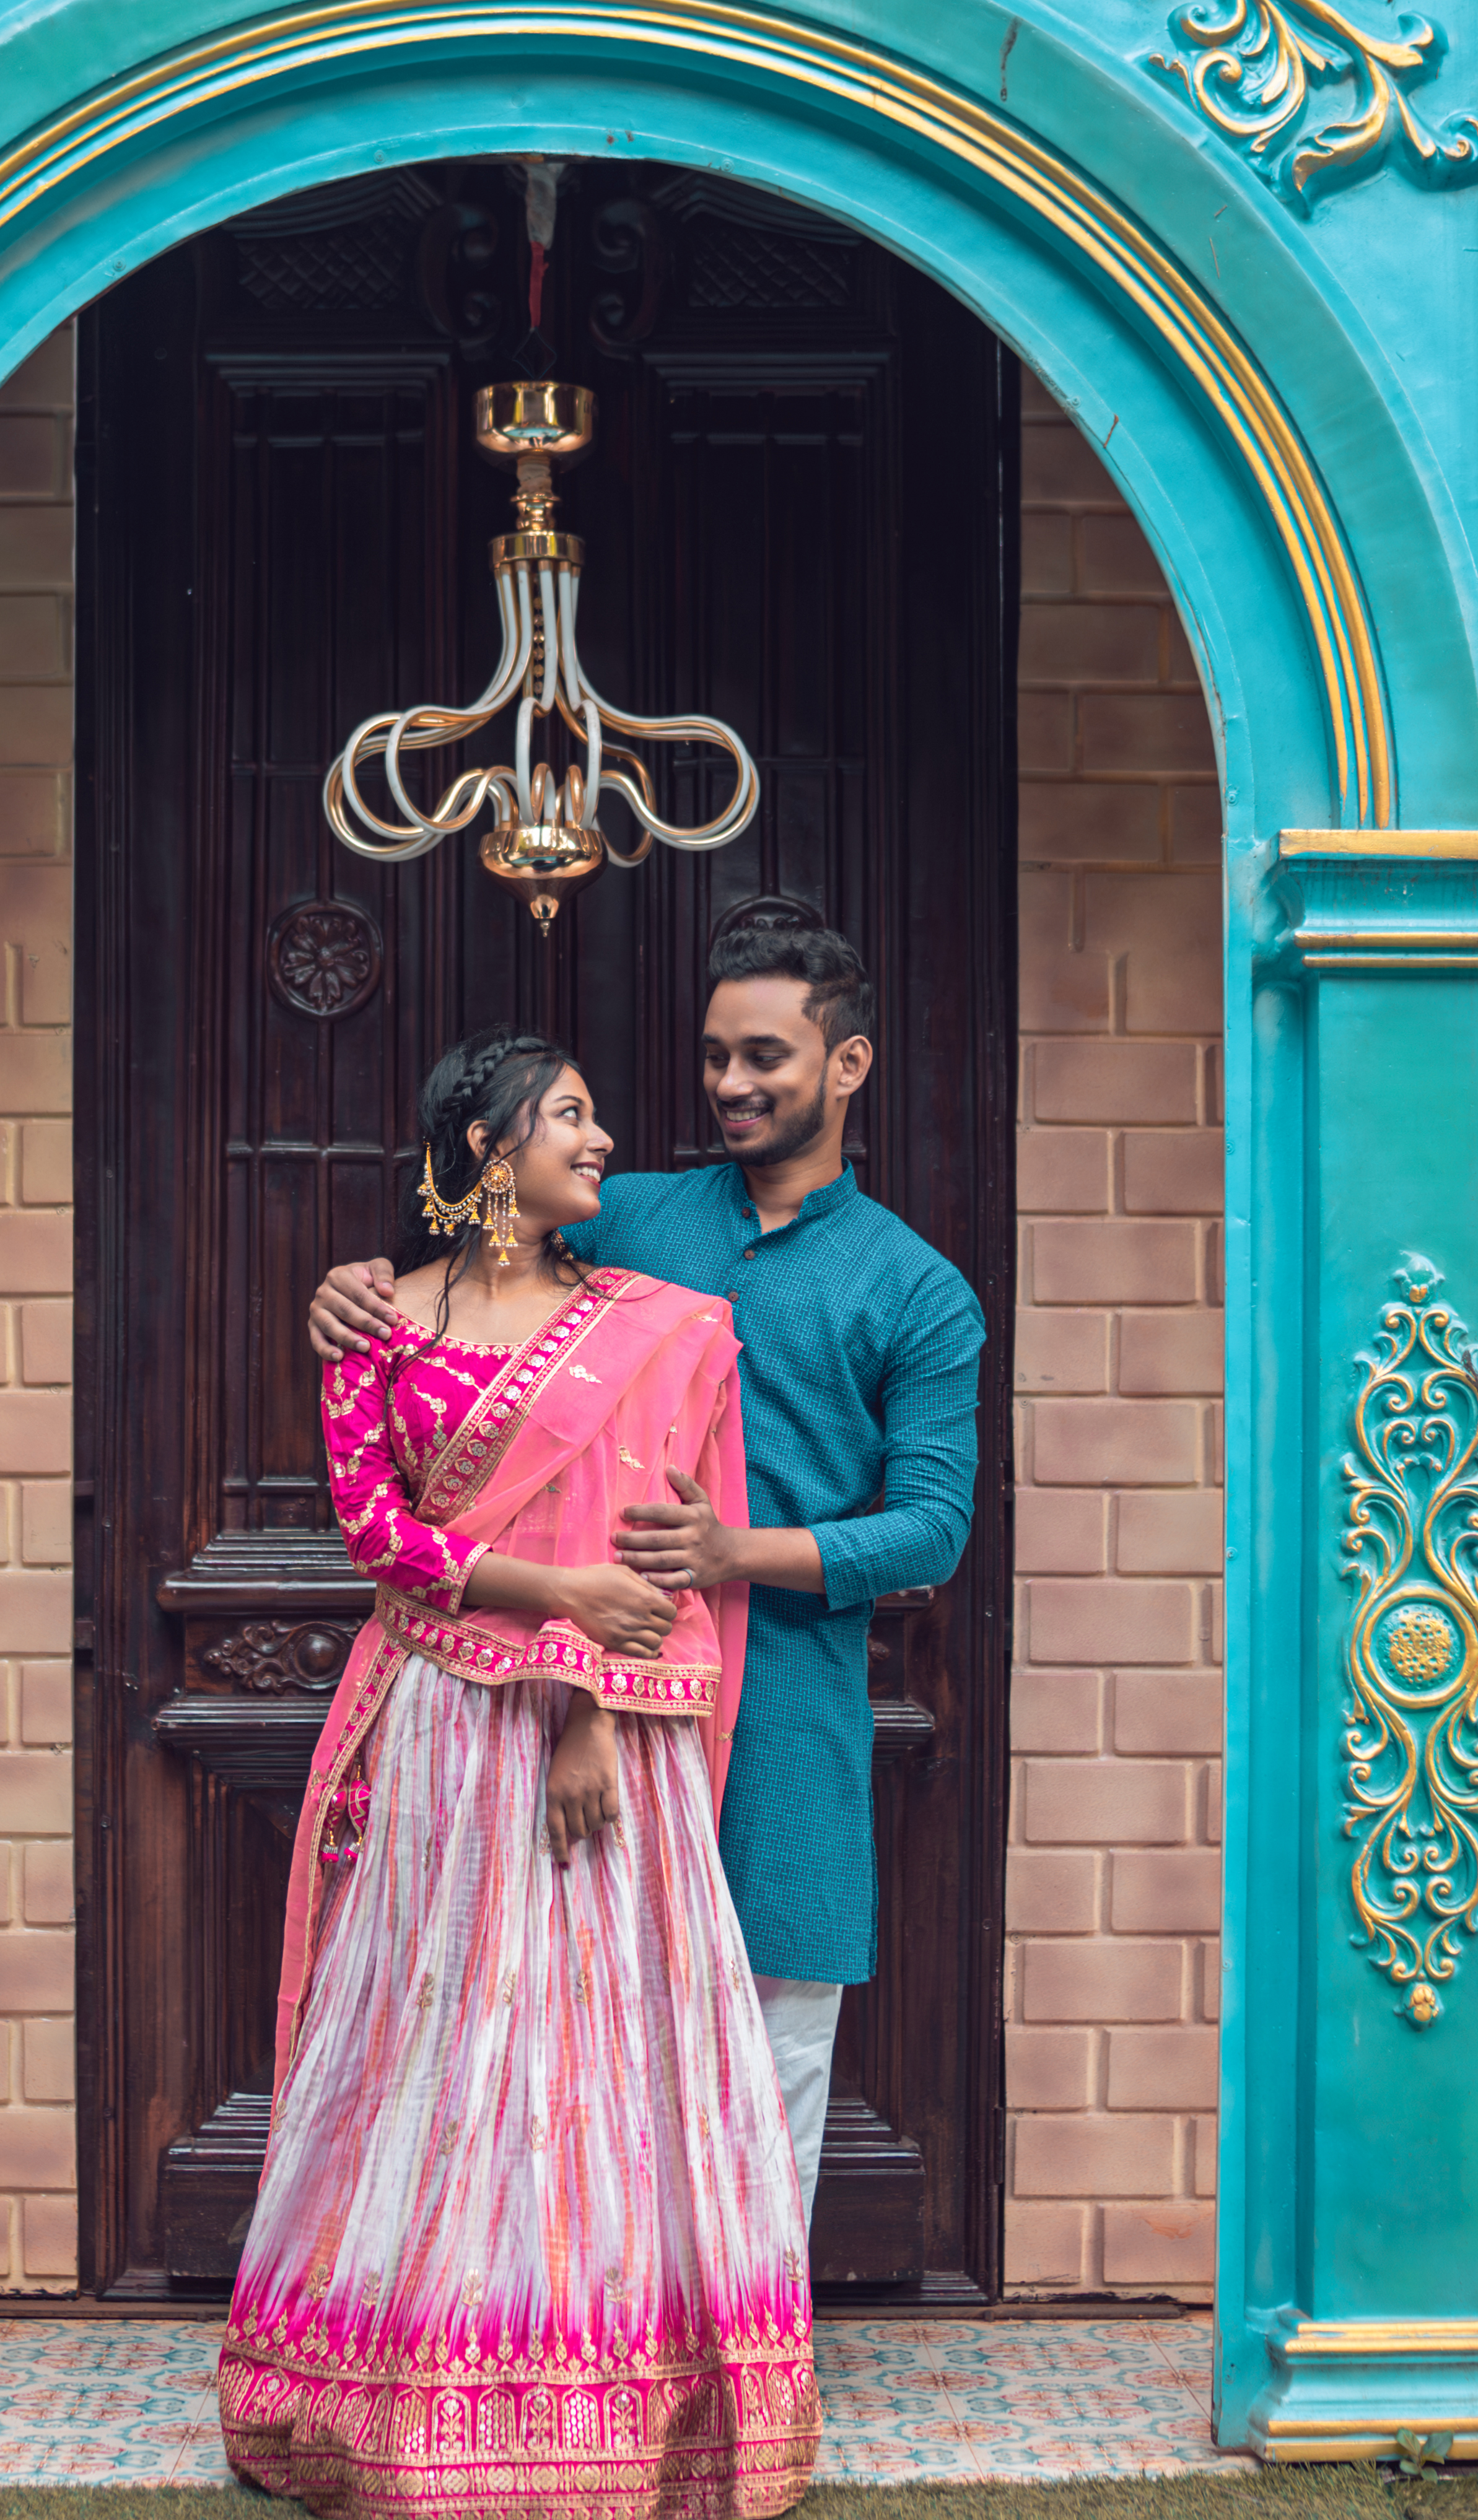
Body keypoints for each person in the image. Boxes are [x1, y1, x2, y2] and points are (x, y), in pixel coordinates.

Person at [306, 924, 986, 2247]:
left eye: (765, 1056)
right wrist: (357, 1281)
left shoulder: (914, 1287)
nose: (729, 1082)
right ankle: (592, 2355)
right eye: (715, 1054)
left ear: (847, 1063)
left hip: (783, 1703)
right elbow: (474, 1243)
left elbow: (933, 1527)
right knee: (581, 2034)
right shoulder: (638, 1211)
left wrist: (743, 1553)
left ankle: (751, 2368)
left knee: (772, 2032)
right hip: (586, 1698)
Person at [221, 1029, 818, 2520]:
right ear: (489, 1149)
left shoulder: (663, 1324)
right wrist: (550, 1601)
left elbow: (668, 1545)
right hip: (439, 1721)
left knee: (600, 2042)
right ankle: (409, 2392)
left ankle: (630, 2411)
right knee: (443, 2031)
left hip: (601, 1741)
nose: (603, 1138)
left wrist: (591, 1706)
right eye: (569, 1116)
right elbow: (381, 1540)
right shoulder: (379, 1324)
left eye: (598, 1116)